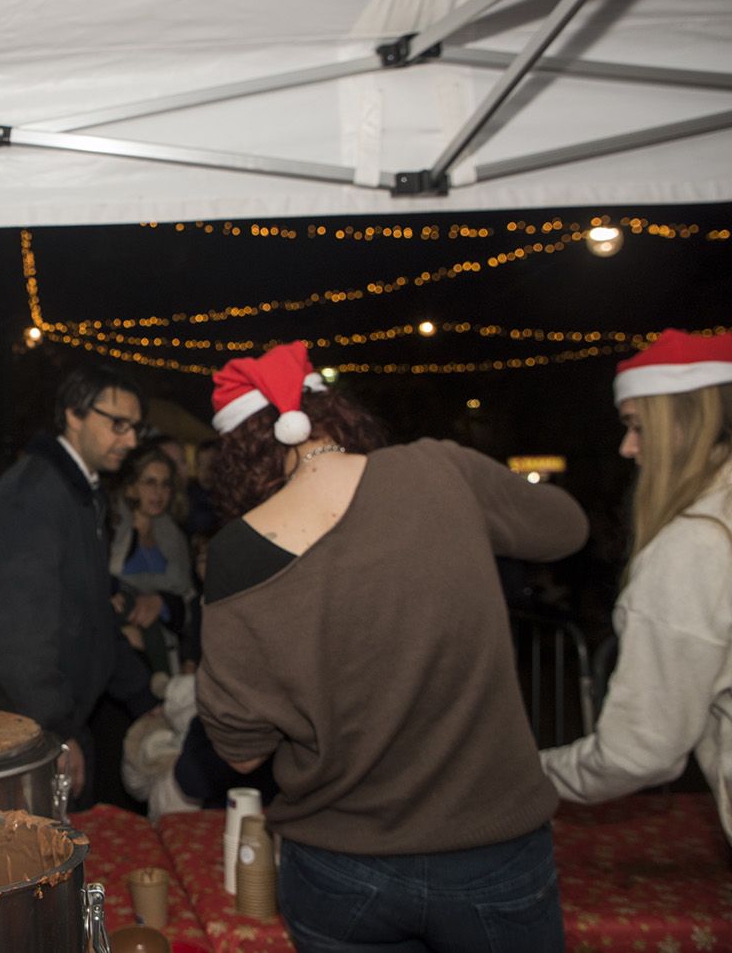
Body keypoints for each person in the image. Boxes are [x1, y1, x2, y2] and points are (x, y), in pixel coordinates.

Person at [193, 341, 587, 952]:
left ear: (240, 455)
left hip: (339, 863)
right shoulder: (438, 470)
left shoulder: (236, 557)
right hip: (490, 847)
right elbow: (566, 527)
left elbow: (241, 752)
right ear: (336, 414)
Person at [541, 330, 732, 842]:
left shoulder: (696, 546)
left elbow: (640, 750)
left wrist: (531, 775)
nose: (627, 448)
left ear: (690, 423)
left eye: (637, 426)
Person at [0, 364, 159, 806]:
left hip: (49, 718)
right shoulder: (29, 499)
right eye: (118, 424)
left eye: (135, 428)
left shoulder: (79, 493)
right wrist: (56, 732)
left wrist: (141, 693)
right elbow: (17, 634)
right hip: (19, 726)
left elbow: (89, 613)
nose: (130, 440)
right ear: (74, 414)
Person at [108, 445, 196, 689]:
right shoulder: (112, 527)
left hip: (170, 652)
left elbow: (187, 597)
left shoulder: (173, 536)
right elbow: (103, 579)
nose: (159, 492)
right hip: (121, 652)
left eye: (165, 484)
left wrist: (162, 602)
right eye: (150, 482)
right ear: (132, 486)